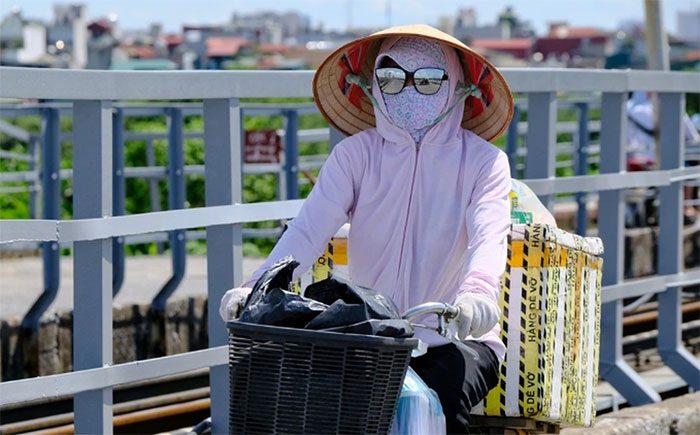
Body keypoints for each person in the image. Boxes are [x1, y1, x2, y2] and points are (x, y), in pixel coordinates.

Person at [220, 24, 514, 433]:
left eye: (429, 80)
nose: (409, 92)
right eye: (391, 79)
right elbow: (308, 229)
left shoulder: (484, 163)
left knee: (442, 405)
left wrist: (477, 294)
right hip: (371, 333)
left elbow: (489, 234)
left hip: (455, 334)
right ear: (372, 84)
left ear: (458, 85)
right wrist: (256, 286)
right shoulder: (355, 155)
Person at [627, 91, 700, 224]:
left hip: (635, 160)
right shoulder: (673, 107)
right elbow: (693, 138)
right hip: (663, 163)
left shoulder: (627, 108)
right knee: (689, 167)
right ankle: (686, 206)